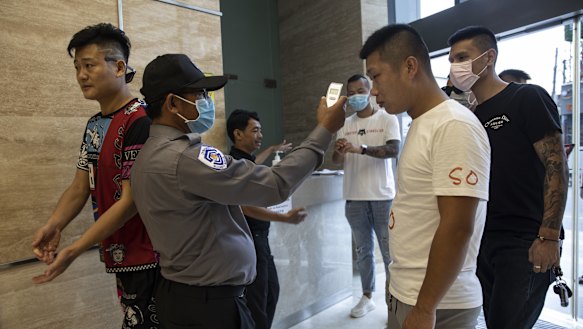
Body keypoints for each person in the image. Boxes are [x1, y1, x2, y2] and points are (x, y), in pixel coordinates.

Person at [130, 53, 346, 329]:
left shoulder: (147, 157)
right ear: (173, 103)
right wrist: (325, 129)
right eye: (200, 94)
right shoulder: (186, 157)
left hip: (180, 296)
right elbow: (274, 184)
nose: (207, 102)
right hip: (211, 307)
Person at [359, 24, 491, 329]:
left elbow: (458, 226)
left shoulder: (453, 125)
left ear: (409, 67)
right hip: (411, 292)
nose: (373, 90)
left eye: (376, 76)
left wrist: (425, 307)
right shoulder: (422, 122)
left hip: (438, 304)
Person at [31, 23, 160, 329]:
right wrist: (54, 224)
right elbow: (80, 186)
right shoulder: (94, 124)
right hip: (121, 253)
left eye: (89, 65)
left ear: (119, 67)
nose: (81, 75)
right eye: (77, 67)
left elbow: (130, 202)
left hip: (152, 255)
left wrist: (74, 250)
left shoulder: (140, 120)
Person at [448, 26, 568, 329]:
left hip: (524, 240)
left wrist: (548, 236)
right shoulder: (467, 116)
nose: (455, 66)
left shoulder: (527, 97)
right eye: (451, 60)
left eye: (463, 57)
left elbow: (556, 166)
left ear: (489, 58)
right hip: (482, 238)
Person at [226, 109, 308, 329]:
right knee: (257, 302)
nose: (260, 135)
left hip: (261, 240)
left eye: (260, 130)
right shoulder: (235, 163)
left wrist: (272, 149)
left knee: (270, 292)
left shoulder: (245, 160)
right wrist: (284, 218)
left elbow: (255, 162)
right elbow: (244, 207)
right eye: (255, 130)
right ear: (238, 134)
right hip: (250, 240)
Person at [331, 74, 400, 319]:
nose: (356, 96)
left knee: (390, 252)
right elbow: (336, 161)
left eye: (361, 90)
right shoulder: (345, 124)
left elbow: (393, 150)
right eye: (352, 92)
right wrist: (340, 152)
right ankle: (367, 296)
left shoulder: (387, 118)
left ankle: (393, 301)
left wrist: (360, 149)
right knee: (363, 251)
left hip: (382, 196)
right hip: (354, 197)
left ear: (371, 90)